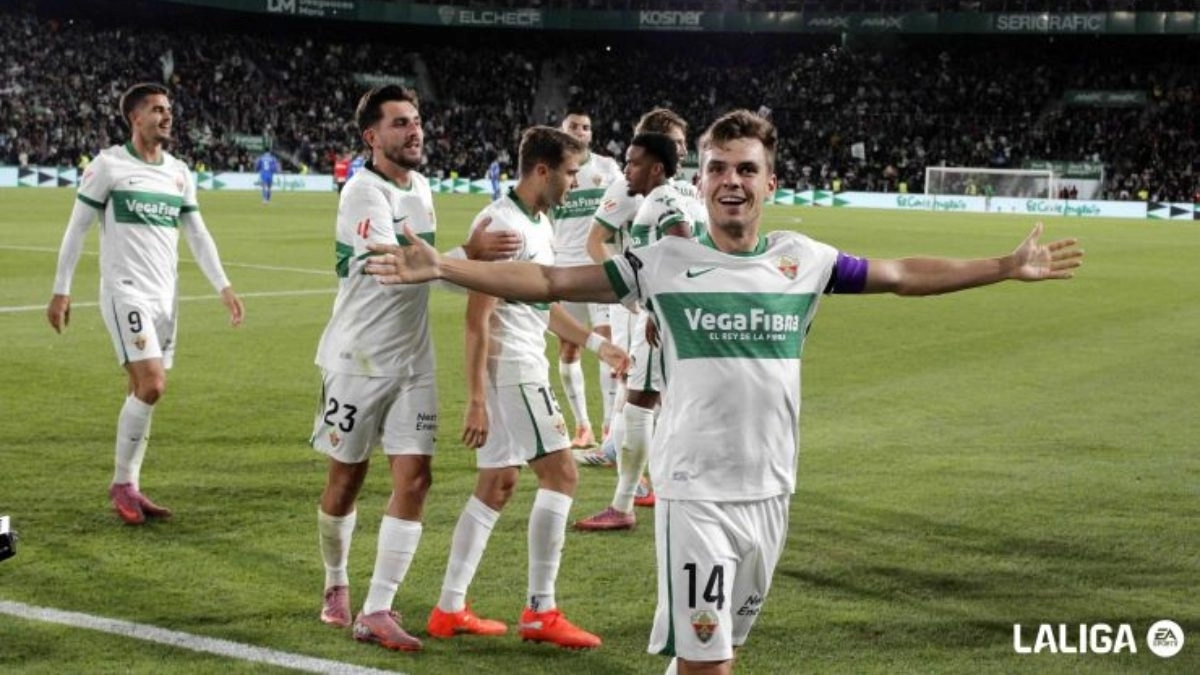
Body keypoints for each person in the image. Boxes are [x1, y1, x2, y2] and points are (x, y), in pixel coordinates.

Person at [364, 109, 1084, 674]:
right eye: (717, 168)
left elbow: (900, 275)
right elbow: (550, 280)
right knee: (712, 662)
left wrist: (1003, 265)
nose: (731, 180)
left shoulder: (803, 260)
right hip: (696, 493)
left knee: (709, 656)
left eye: (746, 168)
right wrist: (447, 267)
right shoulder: (662, 261)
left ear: (771, 182)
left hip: (772, 491)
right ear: (701, 180)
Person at [310, 84, 520, 653]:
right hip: (357, 360)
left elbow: (427, 267)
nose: (414, 130)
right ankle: (336, 580)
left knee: (417, 478)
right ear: (371, 136)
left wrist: (464, 260)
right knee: (345, 480)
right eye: (400, 123)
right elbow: (393, 266)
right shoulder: (362, 191)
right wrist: (467, 257)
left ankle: (377, 608)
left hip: (413, 360)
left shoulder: (422, 188)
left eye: (417, 120)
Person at [424, 126, 628, 651]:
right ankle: (541, 610)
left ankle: (449, 607)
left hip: (519, 365)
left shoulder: (538, 222)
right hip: (513, 369)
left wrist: (595, 345)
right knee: (562, 473)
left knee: (497, 482)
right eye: (570, 172)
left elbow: (542, 302)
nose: (575, 182)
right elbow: (477, 319)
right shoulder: (504, 226)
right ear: (542, 170)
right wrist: (476, 399)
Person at [46, 82, 245, 525]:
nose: (166, 115)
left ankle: (131, 485)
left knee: (140, 390)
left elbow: (197, 233)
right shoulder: (108, 166)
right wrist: (62, 289)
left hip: (165, 297)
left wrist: (224, 286)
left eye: (168, 108)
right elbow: (77, 228)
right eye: (157, 109)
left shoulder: (178, 172)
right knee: (153, 384)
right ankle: (122, 484)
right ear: (135, 117)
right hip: (126, 291)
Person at [575, 131, 705, 532]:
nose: (627, 169)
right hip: (686, 317)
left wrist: (658, 307)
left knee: (637, 406)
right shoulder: (687, 194)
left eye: (634, 162)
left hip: (662, 320)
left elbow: (682, 244)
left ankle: (624, 504)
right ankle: (674, 489)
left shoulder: (660, 199)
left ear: (657, 168)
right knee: (666, 403)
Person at [553, 108, 623, 450]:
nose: (580, 131)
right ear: (562, 131)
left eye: (585, 127)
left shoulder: (607, 168)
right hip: (564, 269)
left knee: (608, 341)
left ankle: (609, 427)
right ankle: (583, 426)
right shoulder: (553, 171)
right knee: (569, 348)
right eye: (574, 127)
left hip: (600, 268)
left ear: (591, 134)